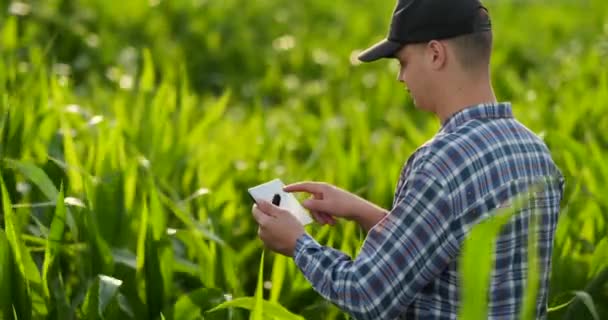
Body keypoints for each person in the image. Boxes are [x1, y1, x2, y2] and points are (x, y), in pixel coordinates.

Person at [251, 0, 565, 319]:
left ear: (435, 54)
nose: (401, 77)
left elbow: (366, 295)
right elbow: (452, 246)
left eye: (402, 61)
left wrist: (298, 244)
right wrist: (364, 212)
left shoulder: (441, 163)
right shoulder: (534, 151)